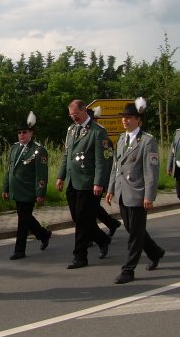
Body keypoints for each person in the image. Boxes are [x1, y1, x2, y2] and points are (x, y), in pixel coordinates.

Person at [106, 97, 165, 284]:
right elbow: (117, 167)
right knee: (132, 229)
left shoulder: (147, 141)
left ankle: (128, 269)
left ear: (139, 120)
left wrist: (149, 195)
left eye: (129, 117)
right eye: (124, 117)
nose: (125, 120)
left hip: (138, 193)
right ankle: (155, 252)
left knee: (135, 234)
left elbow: (151, 171)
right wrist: (111, 189)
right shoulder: (122, 139)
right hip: (123, 192)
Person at [57, 100, 112, 269]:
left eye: (76, 115)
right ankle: (102, 239)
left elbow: (102, 161)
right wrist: (61, 176)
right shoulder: (72, 130)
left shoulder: (97, 132)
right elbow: (67, 154)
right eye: (71, 115)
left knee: (82, 220)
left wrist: (98, 182)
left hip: (89, 183)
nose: (74, 118)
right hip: (74, 181)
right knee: (79, 218)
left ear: (84, 111)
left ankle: (80, 256)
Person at [2, 111, 52, 260]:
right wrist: (6, 188)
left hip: (28, 190)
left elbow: (41, 173)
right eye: (19, 133)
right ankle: (43, 234)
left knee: (23, 221)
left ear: (31, 133)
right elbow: (9, 170)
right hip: (16, 190)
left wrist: (40, 192)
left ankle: (19, 250)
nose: (21, 135)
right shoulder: (14, 148)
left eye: (24, 132)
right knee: (25, 217)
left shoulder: (38, 149)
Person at [88, 107, 122, 237]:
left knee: (90, 209)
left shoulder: (103, 138)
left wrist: (105, 182)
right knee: (92, 208)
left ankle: (92, 235)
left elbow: (107, 161)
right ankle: (111, 223)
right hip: (86, 179)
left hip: (98, 179)